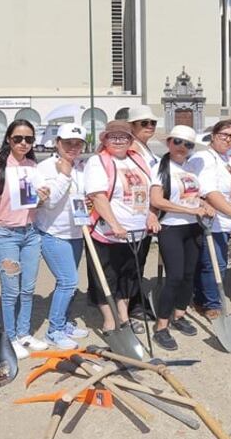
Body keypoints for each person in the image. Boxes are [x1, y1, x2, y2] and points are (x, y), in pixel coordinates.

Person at [83, 120, 160, 332]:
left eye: (123, 137)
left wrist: (153, 215)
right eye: (113, 137)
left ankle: (124, 316)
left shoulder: (138, 160)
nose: (118, 141)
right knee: (106, 277)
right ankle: (110, 320)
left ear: (131, 140)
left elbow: (154, 189)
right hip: (108, 234)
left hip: (137, 233)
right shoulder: (98, 162)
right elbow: (98, 196)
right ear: (105, 139)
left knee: (130, 276)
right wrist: (114, 224)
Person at [0, 119, 48, 359]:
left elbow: (39, 202)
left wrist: (43, 197)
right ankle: (10, 336)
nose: (23, 143)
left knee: (29, 287)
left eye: (29, 139)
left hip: (31, 233)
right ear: (8, 139)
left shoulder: (33, 165)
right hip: (7, 234)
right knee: (10, 289)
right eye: (18, 138)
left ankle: (24, 333)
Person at [148, 125, 213, 351]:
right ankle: (161, 326)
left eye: (188, 144)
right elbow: (157, 200)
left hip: (192, 228)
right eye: (178, 142)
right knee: (174, 277)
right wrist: (189, 211)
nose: (182, 147)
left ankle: (180, 314)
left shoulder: (190, 169)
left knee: (188, 275)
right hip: (171, 227)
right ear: (169, 142)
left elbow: (194, 197)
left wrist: (204, 205)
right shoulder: (160, 168)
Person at [35, 123, 93, 349]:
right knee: (69, 281)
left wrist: (86, 200)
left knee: (67, 282)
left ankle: (65, 321)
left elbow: (81, 197)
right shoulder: (46, 168)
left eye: (78, 143)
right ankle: (54, 330)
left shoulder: (83, 167)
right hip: (53, 233)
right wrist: (65, 174)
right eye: (68, 143)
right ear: (57, 143)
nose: (73, 147)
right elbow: (49, 203)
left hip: (77, 233)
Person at [188, 119, 231, 320]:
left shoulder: (228, 159)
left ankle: (201, 298)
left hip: (225, 222)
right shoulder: (204, 157)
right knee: (214, 263)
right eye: (224, 135)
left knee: (210, 262)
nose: (228, 139)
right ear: (213, 136)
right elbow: (209, 192)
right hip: (211, 220)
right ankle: (211, 303)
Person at [125, 105, 159, 321]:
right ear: (131, 126)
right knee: (131, 263)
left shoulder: (147, 149)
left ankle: (136, 299)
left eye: (152, 123)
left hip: (148, 213)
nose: (149, 126)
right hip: (135, 213)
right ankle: (131, 305)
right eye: (143, 123)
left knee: (140, 260)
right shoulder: (129, 149)